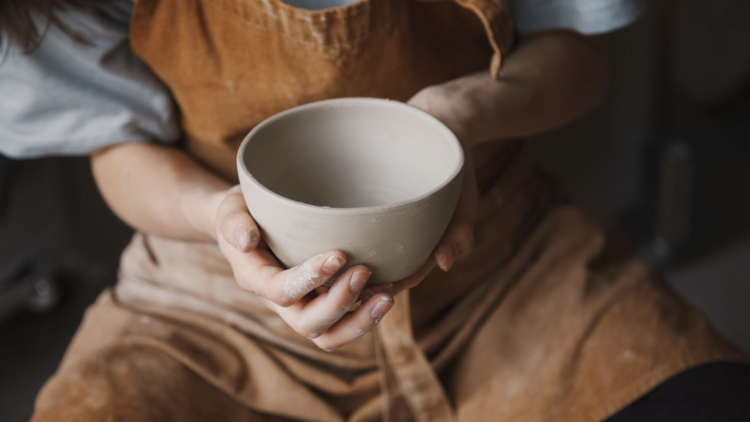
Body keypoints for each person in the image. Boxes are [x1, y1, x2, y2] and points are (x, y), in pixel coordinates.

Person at [1, 0, 749, 421]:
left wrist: (466, 113)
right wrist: (221, 217)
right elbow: (114, 145)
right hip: (209, 298)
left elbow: (580, 59)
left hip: (501, 265)